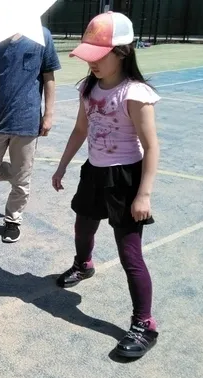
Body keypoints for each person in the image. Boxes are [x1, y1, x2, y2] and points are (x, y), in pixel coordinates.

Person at [51, 12, 161, 358]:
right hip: (95, 172)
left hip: (125, 179)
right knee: (83, 227)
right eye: (89, 56)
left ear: (123, 52)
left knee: (130, 255)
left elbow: (152, 146)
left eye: (100, 56)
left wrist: (143, 194)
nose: (92, 63)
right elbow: (81, 129)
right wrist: (63, 165)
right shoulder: (88, 88)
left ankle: (145, 323)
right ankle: (84, 264)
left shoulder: (135, 94)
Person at [0, 26, 61, 243]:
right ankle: (20, 178)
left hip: (27, 120)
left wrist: (49, 114)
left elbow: (48, 77)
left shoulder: (42, 35)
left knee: (22, 180)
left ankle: (12, 220)